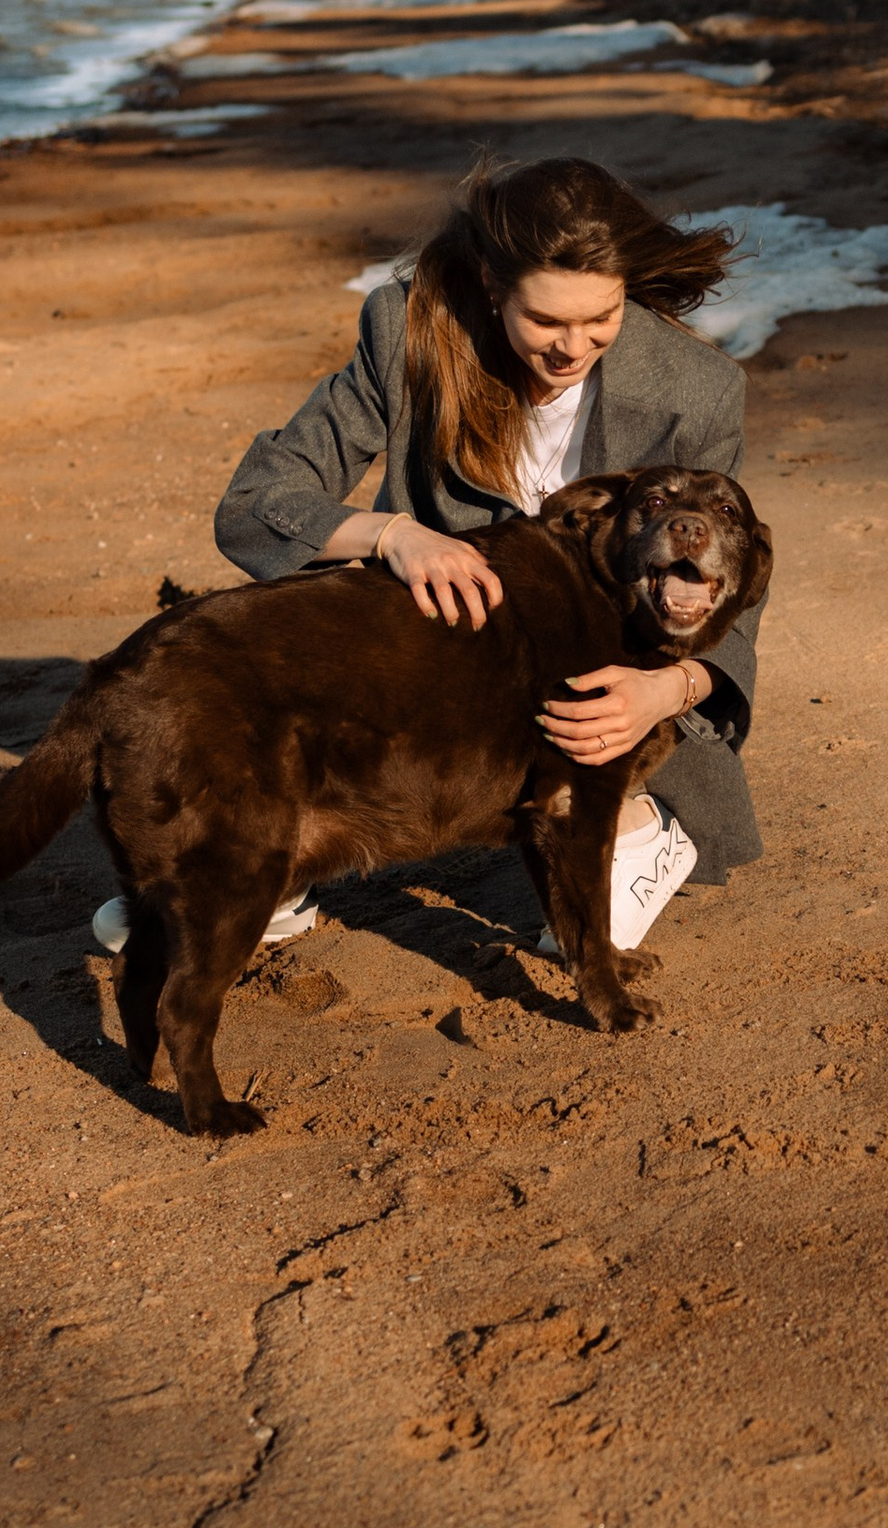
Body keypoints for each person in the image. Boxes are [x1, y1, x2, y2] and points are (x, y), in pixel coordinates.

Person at [205, 154, 763, 951]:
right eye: (546, 322)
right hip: (454, 683)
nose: (574, 347)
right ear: (493, 288)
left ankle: (645, 827)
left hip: (611, 690)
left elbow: (728, 585)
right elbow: (259, 500)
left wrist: (669, 690)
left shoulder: (695, 390)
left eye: (600, 317)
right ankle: (285, 854)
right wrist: (392, 534)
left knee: (579, 933)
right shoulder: (409, 331)